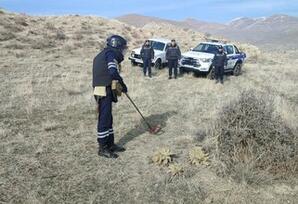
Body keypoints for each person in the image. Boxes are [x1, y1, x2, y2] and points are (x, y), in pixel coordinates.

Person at [92, 35, 128, 158]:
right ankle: (102, 148)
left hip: (104, 88)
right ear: (116, 46)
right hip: (103, 90)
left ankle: (110, 144)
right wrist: (122, 85)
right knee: (104, 118)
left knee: (108, 118)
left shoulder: (104, 53)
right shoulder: (110, 54)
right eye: (122, 48)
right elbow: (112, 71)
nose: (123, 51)